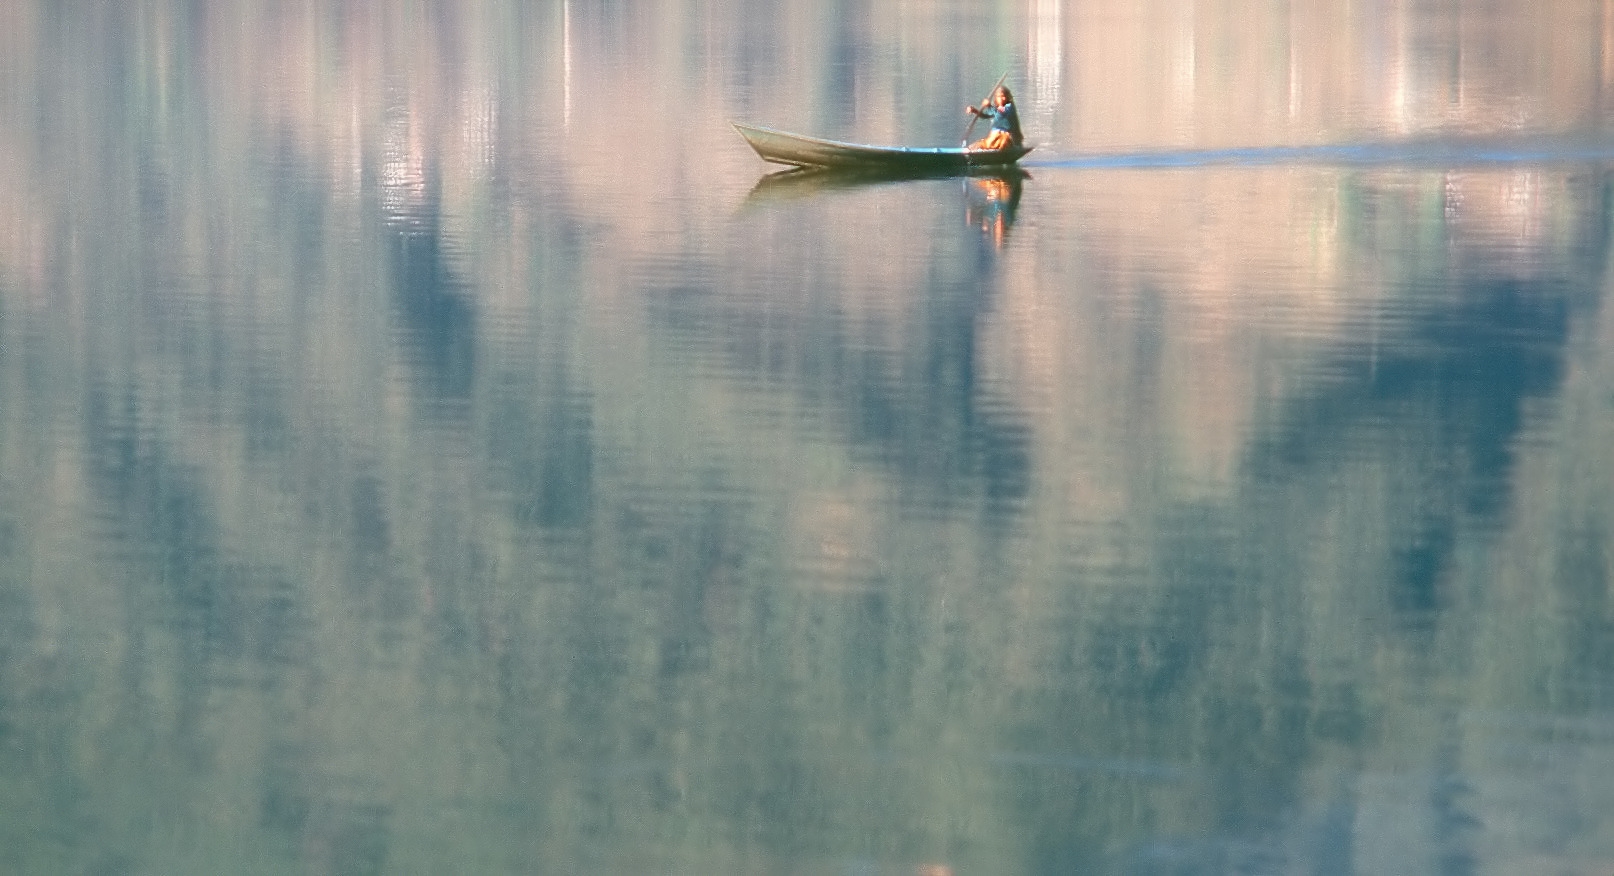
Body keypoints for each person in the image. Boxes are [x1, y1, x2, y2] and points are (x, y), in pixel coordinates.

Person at [966, 85, 1022, 151]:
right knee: (977, 145)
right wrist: (974, 110)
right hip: (994, 136)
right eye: (999, 96)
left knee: (997, 141)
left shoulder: (1009, 107)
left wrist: (989, 106)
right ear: (996, 98)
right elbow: (986, 116)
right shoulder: (997, 109)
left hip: (1006, 138)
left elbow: (1000, 113)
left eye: (1003, 96)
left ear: (1007, 97)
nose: (1001, 98)